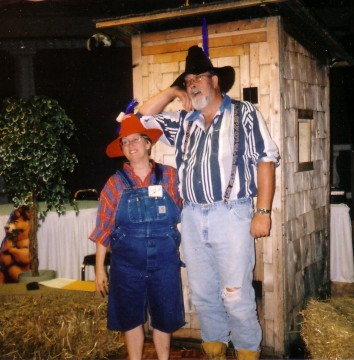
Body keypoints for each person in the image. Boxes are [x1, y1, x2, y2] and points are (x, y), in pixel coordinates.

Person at [136, 45, 280, 359]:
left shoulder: (244, 113)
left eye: (199, 77)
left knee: (235, 294)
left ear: (215, 81)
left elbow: (266, 161)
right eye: (188, 80)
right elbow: (140, 119)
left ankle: (246, 351)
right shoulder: (183, 121)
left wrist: (263, 212)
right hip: (190, 216)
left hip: (232, 213)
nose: (193, 84)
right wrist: (172, 92)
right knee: (202, 294)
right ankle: (214, 349)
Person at [89, 113, 185, 360]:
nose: (131, 146)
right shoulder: (114, 184)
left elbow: (188, 214)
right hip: (126, 265)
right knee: (131, 318)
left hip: (165, 262)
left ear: (148, 143)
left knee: (163, 318)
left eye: (135, 140)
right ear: (121, 149)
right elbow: (103, 229)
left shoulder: (171, 177)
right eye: (125, 142)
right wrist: (100, 269)